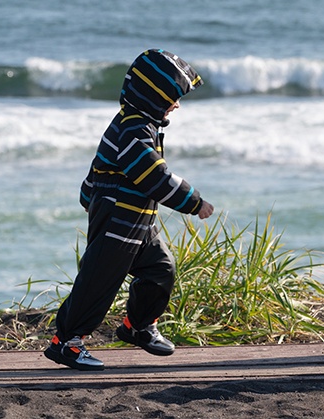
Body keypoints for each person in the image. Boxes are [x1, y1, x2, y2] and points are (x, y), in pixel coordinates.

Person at [44, 49, 215, 371]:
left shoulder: (140, 125)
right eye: (172, 98)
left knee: (159, 270)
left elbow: (100, 167)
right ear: (152, 98)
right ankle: (66, 342)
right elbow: (153, 175)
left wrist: (89, 195)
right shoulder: (134, 131)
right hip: (118, 221)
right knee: (98, 282)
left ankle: (137, 325)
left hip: (138, 223)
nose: (176, 105)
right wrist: (194, 202)